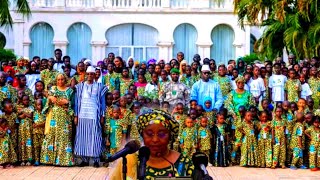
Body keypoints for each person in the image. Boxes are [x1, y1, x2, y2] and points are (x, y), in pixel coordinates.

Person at [109, 109, 196, 179]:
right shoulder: (130, 161)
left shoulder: (184, 163)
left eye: (161, 134)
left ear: (170, 137)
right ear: (142, 135)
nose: (155, 139)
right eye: (149, 134)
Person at [74, 66, 107, 168]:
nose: (89, 76)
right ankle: (83, 159)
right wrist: (76, 115)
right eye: (88, 74)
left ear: (95, 75)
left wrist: (102, 115)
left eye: (91, 74)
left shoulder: (100, 86)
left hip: (94, 115)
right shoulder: (79, 86)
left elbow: (102, 102)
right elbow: (76, 102)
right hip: (82, 115)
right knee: (82, 137)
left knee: (95, 136)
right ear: (85, 74)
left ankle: (95, 159)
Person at [41, 73, 74, 166]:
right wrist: (50, 97)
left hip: (64, 116)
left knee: (64, 135)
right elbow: (50, 101)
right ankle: (49, 160)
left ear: (65, 80)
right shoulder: (53, 89)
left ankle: (64, 160)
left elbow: (71, 104)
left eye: (62, 79)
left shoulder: (70, 91)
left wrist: (67, 103)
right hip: (54, 116)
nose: (60, 81)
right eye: (58, 79)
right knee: (52, 135)